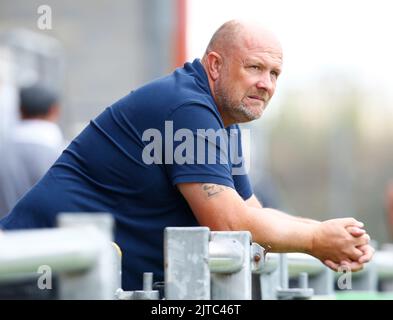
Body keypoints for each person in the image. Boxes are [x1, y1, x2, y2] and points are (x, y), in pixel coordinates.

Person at [0, 20, 373, 291]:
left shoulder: (222, 123)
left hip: (72, 279)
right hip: (32, 275)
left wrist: (331, 233)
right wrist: (315, 241)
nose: (266, 83)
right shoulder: (188, 107)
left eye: (275, 73)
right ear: (214, 65)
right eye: (255, 68)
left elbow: (251, 214)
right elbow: (228, 224)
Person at [0, 84, 65, 218]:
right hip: (49, 237)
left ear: (20, 109)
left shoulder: (4, 151)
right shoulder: (64, 154)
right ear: (55, 110)